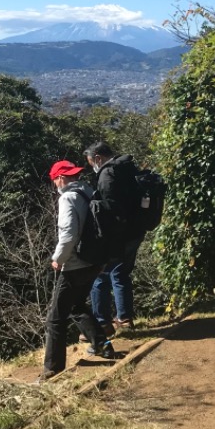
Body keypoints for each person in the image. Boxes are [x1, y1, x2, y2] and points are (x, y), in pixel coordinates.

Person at [40, 160, 116, 381]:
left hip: (74, 264)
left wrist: (58, 259)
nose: (55, 184)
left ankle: (52, 368)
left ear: (61, 178)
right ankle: (102, 344)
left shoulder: (68, 198)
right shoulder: (89, 192)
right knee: (76, 305)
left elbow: (68, 234)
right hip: (94, 262)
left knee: (55, 318)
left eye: (55, 180)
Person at [85, 141, 143, 330]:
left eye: (91, 162)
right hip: (136, 231)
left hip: (119, 236)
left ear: (98, 158)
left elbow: (111, 210)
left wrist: (106, 239)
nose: (92, 167)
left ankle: (102, 323)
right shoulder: (126, 168)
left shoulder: (107, 175)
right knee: (121, 274)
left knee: (100, 276)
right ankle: (124, 318)